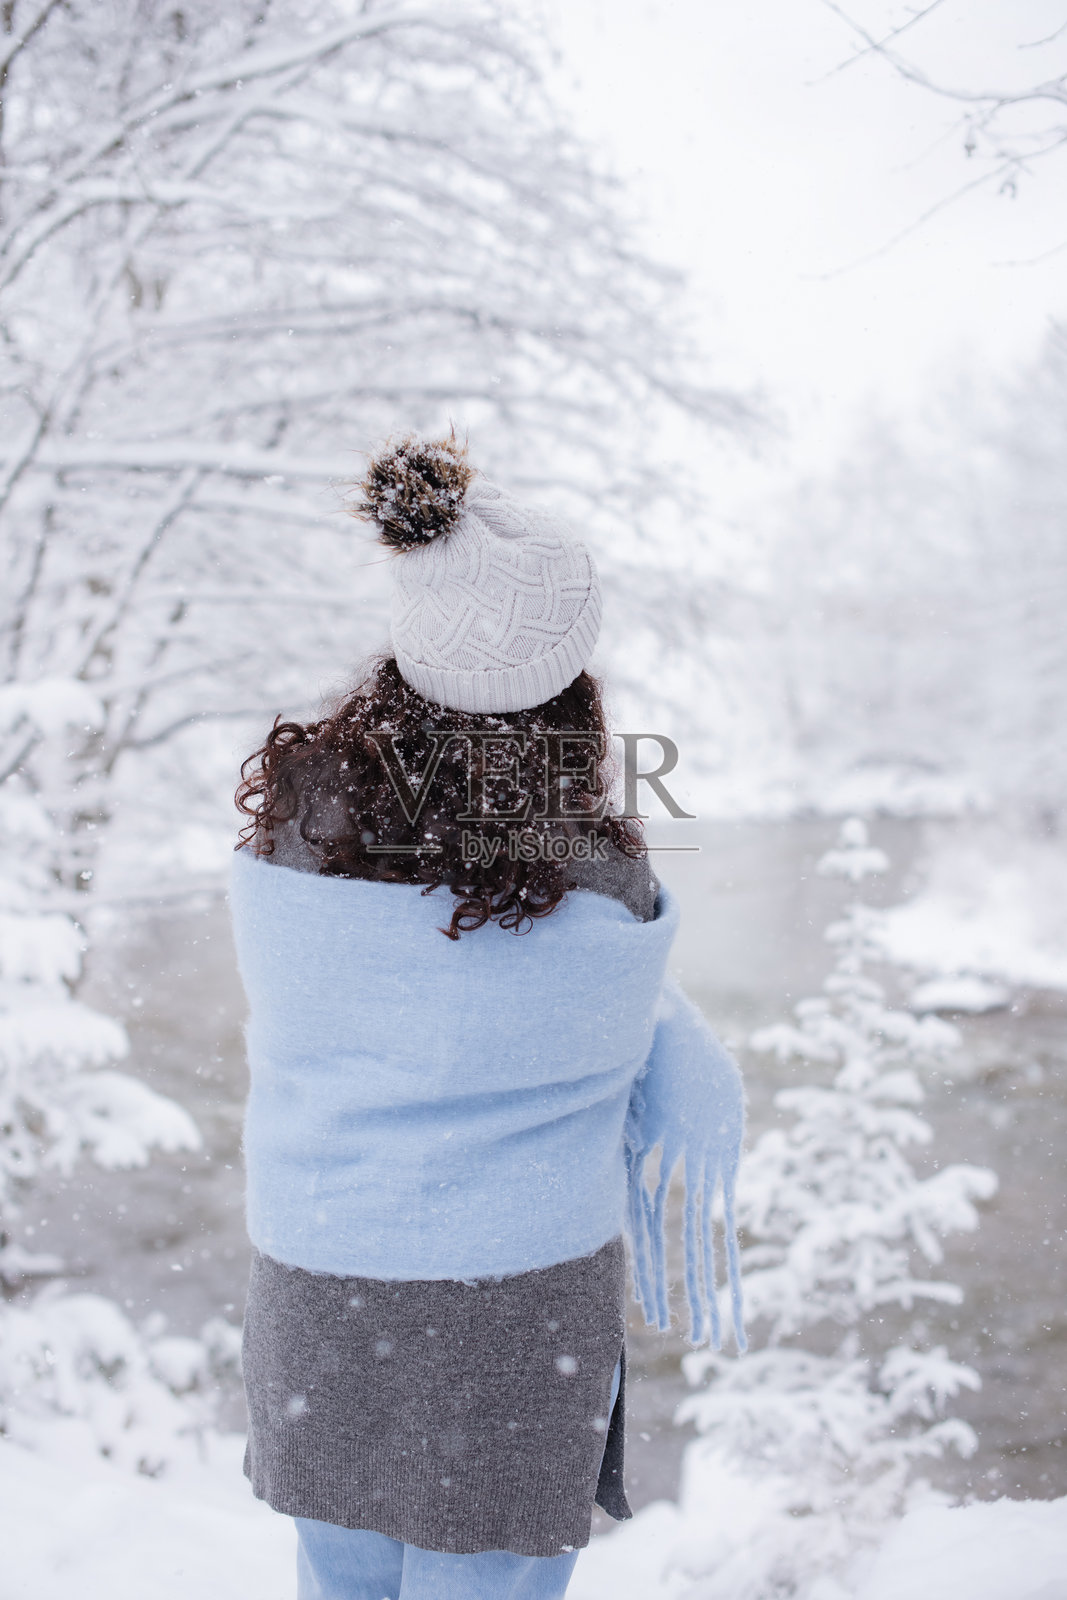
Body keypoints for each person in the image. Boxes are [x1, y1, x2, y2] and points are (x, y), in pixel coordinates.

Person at [229, 435, 746, 1600]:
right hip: (515, 1309)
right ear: (568, 690)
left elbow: (375, 993)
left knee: (339, 1579)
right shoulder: (600, 878)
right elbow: (593, 1004)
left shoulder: (291, 840)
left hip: (319, 1283)